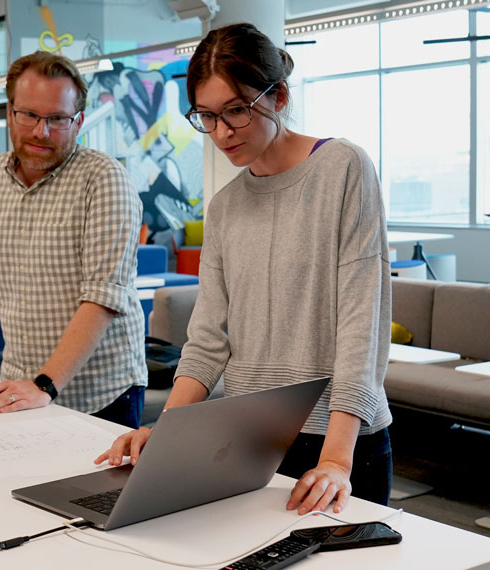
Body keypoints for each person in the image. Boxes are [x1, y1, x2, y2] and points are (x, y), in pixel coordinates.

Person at [96, 23, 393, 515]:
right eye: (206, 116)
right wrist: (166, 433)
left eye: (236, 110)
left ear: (278, 97)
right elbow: (209, 340)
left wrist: (337, 459)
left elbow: (362, 327)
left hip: (341, 439)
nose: (221, 133)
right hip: (251, 444)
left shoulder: (343, 167)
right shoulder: (226, 206)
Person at [0, 51, 147, 428]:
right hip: (18, 384)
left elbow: (103, 297)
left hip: (99, 394)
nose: (42, 131)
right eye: (30, 115)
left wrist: (44, 384)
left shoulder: (105, 180)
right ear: (9, 112)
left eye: (58, 119)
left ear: (79, 121)